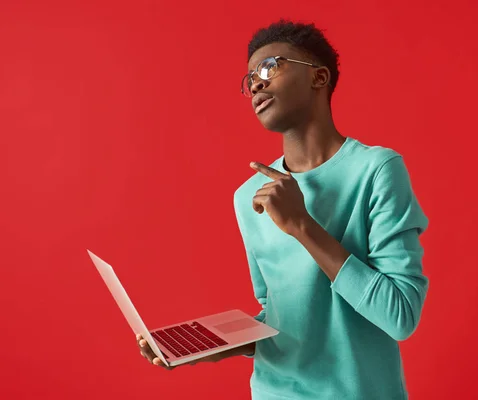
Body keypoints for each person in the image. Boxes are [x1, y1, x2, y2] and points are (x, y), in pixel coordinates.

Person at [138, 19, 429, 400]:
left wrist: (301, 224)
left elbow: (400, 315)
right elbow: (276, 319)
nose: (256, 83)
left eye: (269, 67)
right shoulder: (249, 197)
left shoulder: (376, 170)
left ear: (318, 77)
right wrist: (206, 347)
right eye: (249, 80)